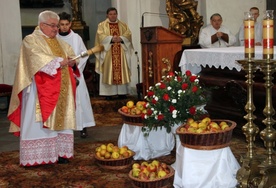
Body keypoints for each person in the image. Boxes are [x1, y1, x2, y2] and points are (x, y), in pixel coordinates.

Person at [7, 10, 80, 166]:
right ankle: (35, 157)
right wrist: (59, 62)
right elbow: (36, 58)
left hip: (61, 89)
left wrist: (73, 61)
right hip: (38, 91)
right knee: (37, 123)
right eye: (53, 26)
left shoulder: (60, 42)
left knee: (61, 121)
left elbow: (70, 55)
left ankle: (60, 153)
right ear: (42, 25)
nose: (56, 29)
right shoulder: (31, 40)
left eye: (57, 26)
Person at [57, 12, 95, 138]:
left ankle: (82, 126)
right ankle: (63, 128)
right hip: (60, 74)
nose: (64, 27)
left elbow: (84, 54)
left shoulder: (76, 38)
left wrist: (76, 62)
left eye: (66, 24)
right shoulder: (54, 38)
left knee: (79, 100)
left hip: (75, 73)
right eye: (61, 24)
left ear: (70, 24)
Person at [94, 7, 134, 100]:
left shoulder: (123, 25)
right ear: (107, 15)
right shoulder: (102, 25)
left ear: (117, 14)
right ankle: (108, 93)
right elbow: (100, 36)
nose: (113, 16)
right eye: (111, 14)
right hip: (108, 53)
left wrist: (122, 38)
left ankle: (122, 92)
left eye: (114, 14)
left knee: (122, 71)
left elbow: (128, 34)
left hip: (121, 52)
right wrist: (111, 39)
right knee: (109, 71)